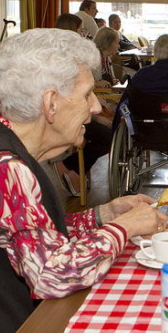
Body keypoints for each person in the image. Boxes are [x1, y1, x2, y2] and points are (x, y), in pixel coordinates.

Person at [0, 28, 168, 333]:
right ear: (50, 103)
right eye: (87, 94)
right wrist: (125, 228)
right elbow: (52, 274)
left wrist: (103, 215)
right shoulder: (1, 167)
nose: (96, 107)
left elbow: (32, 236)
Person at [53, 16, 113, 197]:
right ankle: (70, 167)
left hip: (73, 110)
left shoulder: (66, 57)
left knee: (107, 133)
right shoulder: (65, 61)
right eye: (80, 31)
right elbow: (71, 97)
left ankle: (73, 168)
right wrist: (97, 117)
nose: (83, 34)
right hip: (66, 114)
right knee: (107, 136)